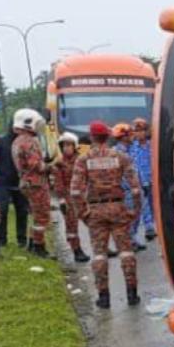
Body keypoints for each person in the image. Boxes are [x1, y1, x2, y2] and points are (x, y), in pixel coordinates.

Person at [70, 121, 142, 309]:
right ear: (108, 136)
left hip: (95, 211)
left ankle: (104, 297)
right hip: (118, 209)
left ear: (92, 137)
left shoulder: (83, 160)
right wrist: (135, 211)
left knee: (99, 254)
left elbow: (75, 192)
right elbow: (135, 188)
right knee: (126, 252)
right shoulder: (121, 157)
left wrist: (82, 214)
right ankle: (132, 294)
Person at [11, 109, 52, 258]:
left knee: (33, 215)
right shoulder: (29, 141)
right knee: (41, 216)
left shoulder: (17, 141)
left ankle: (31, 243)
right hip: (36, 183)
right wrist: (51, 166)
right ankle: (39, 247)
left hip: (25, 182)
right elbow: (36, 165)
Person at [0, 111, 29, 250]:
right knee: (2, 211)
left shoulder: (25, 143)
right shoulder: (1, 142)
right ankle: (2, 239)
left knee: (22, 211)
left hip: (20, 182)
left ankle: (22, 239)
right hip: (2, 182)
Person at [52, 133, 89, 263]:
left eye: (69, 145)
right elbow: (58, 183)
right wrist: (61, 200)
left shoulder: (82, 160)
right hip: (69, 197)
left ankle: (104, 248)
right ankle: (76, 250)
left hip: (85, 195)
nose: (66, 148)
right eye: (64, 145)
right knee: (71, 225)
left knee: (95, 222)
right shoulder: (59, 163)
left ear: (75, 146)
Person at [111, 122, 144, 252]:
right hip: (126, 191)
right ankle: (128, 240)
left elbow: (137, 168)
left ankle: (133, 237)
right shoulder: (115, 152)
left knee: (137, 215)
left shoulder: (133, 149)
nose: (133, 136)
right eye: (130, 134)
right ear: (123, 137)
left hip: (137, 188)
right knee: (128, 216)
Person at [130, 118, 156, 241]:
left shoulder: (153, 145)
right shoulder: (131, 147)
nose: (139, 133)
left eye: (141, 130)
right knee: (142, 204)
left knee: (153, 205)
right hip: (139, 181)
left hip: (153, 180)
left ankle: (153, 226)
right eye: (136, 131)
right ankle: (148, 227)